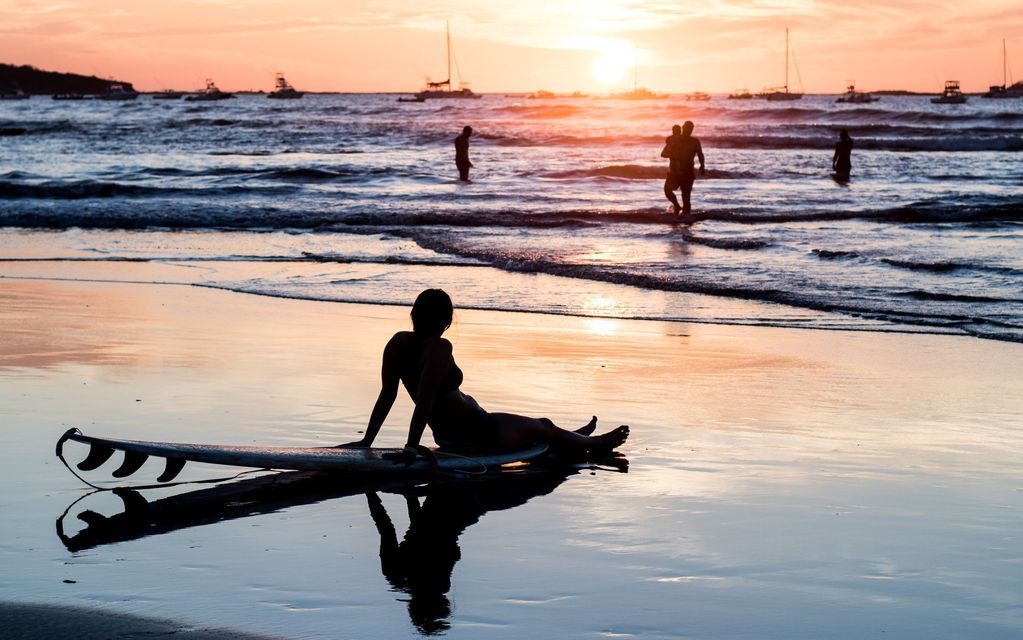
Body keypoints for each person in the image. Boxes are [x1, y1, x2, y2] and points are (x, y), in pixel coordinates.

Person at [342, 289, 629, 462]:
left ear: (414, 315)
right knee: (544, 424)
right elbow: (425, 400)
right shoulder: (439, 347)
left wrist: (368, 440)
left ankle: (571, 438)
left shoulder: (398, 343)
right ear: (444, 321)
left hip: (454, 435)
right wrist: (411, 447)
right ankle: (595, 443)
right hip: (481, 432)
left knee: (543, 431)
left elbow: (387, 396)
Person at [661, 121, 705, 216]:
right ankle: (676, 206)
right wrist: (672, 151)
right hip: (674, 172)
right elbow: (664, 154)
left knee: (686, 198)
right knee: (667, 190)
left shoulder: (694, 141)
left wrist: (702, 165)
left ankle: (687, 221)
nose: (688, 130)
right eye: (686, 128)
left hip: (688, 173)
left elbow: (700, 154)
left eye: (690, 129)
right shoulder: (675, 140)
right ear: (683, 128)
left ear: (692, 130)